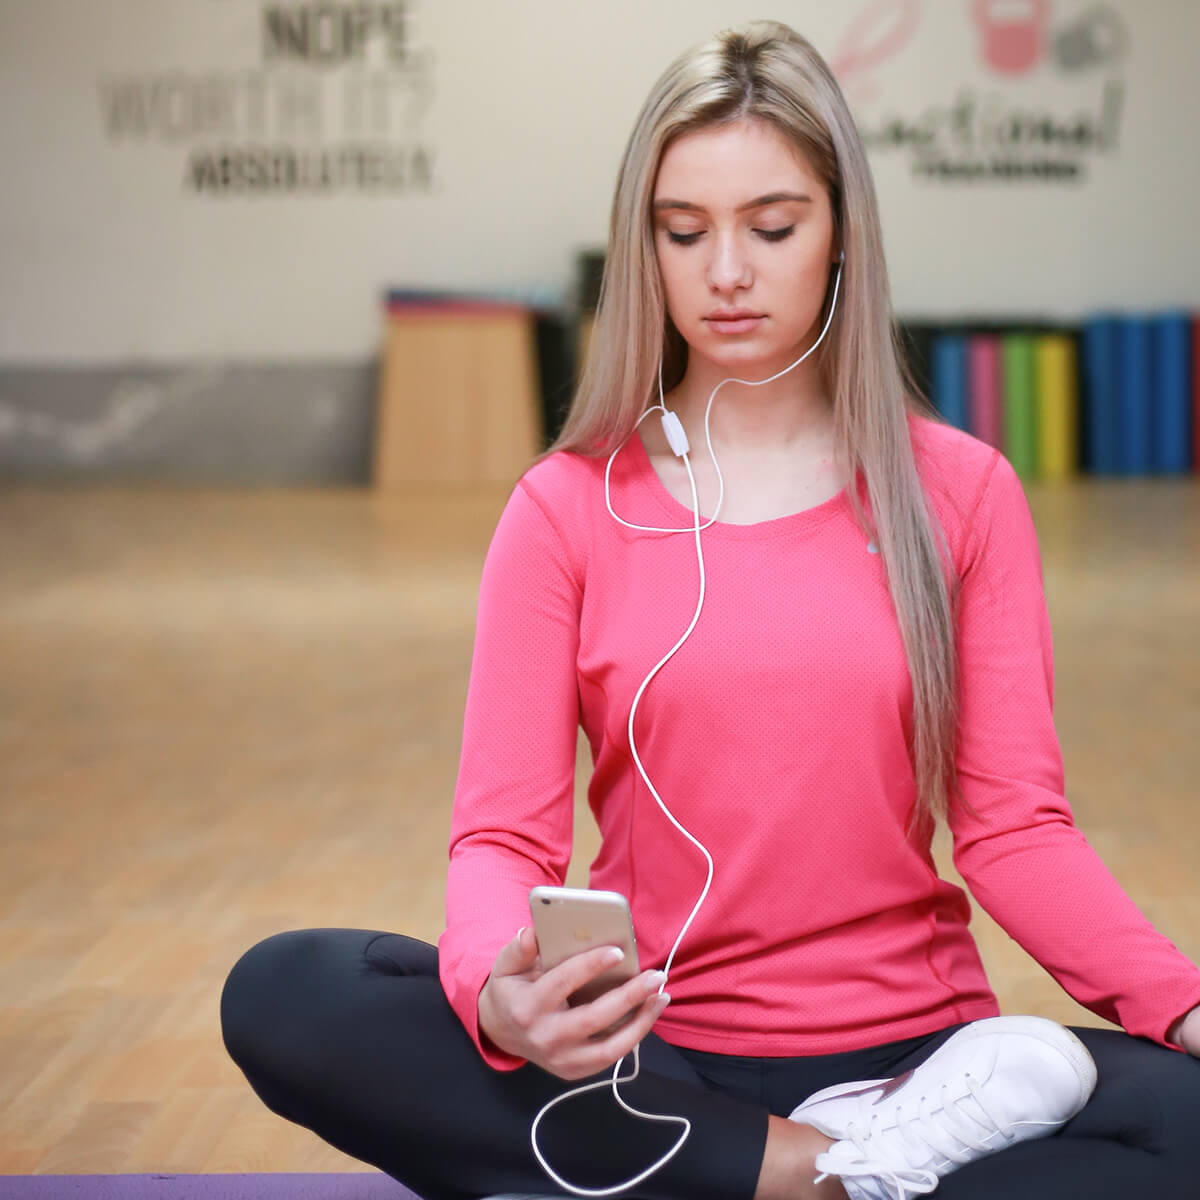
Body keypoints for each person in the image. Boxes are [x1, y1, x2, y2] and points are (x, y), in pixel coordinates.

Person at [221, 19, 1200, 1200]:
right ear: (647, 248)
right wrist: (500, 993)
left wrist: (1184, 1003)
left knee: (1188, 1116)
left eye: (772, 227)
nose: (725, 271)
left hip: (914, 1060)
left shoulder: (963, 495)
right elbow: (501, 842)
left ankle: (754, 1172)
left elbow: (1014, 832)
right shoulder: (565, 509)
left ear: (842, 234)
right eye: (684, 233)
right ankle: (815, 1177)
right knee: (283, 992)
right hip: (646, 1058)